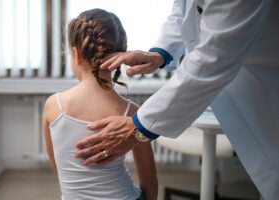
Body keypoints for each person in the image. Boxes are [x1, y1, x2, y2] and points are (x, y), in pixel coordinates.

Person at [74, 1, 279, 199]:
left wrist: (139, 125)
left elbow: (214, 58)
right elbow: (184, 12)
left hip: (264, 83)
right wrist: (160, 53)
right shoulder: (128, 109)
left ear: (76, 54)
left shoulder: (53, 106)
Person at [42, 8, 158, 200]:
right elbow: (150, 182)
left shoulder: (54, 106)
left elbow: (59, 166)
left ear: (76, 54)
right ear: (121, 56)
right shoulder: (132, 113)